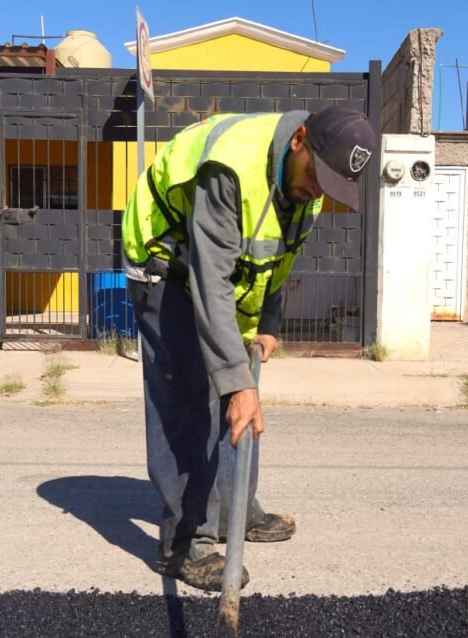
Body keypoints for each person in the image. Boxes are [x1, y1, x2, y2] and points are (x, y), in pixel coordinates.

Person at [121, 106, 377, 592]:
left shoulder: (308, 191)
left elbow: (277, 257)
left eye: (332, 185)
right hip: (165, 260)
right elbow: (208, 278)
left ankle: (234, 509)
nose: (319, 190)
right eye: (318, 177)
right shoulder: (230, 169)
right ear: (299, 140)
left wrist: (268, 322)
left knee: (239, 394)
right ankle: (182, 542)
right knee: (192, 396)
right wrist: (235, 381)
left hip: (221, 277)